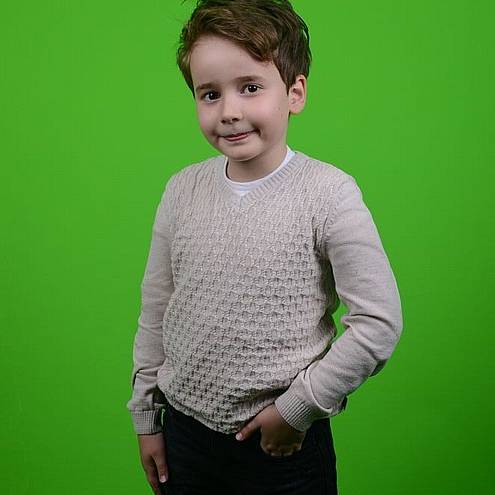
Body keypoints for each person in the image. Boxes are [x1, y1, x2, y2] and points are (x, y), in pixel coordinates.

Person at [126, 1, 403, 493]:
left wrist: (297, 409)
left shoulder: (328, 194)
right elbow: (157, 308)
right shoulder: (182, 190)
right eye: (210, 94)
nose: (229, 111)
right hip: (185, 437)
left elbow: (378, 323)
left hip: (282, 445)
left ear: (295, 93)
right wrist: (147, 415)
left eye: (250, 88)